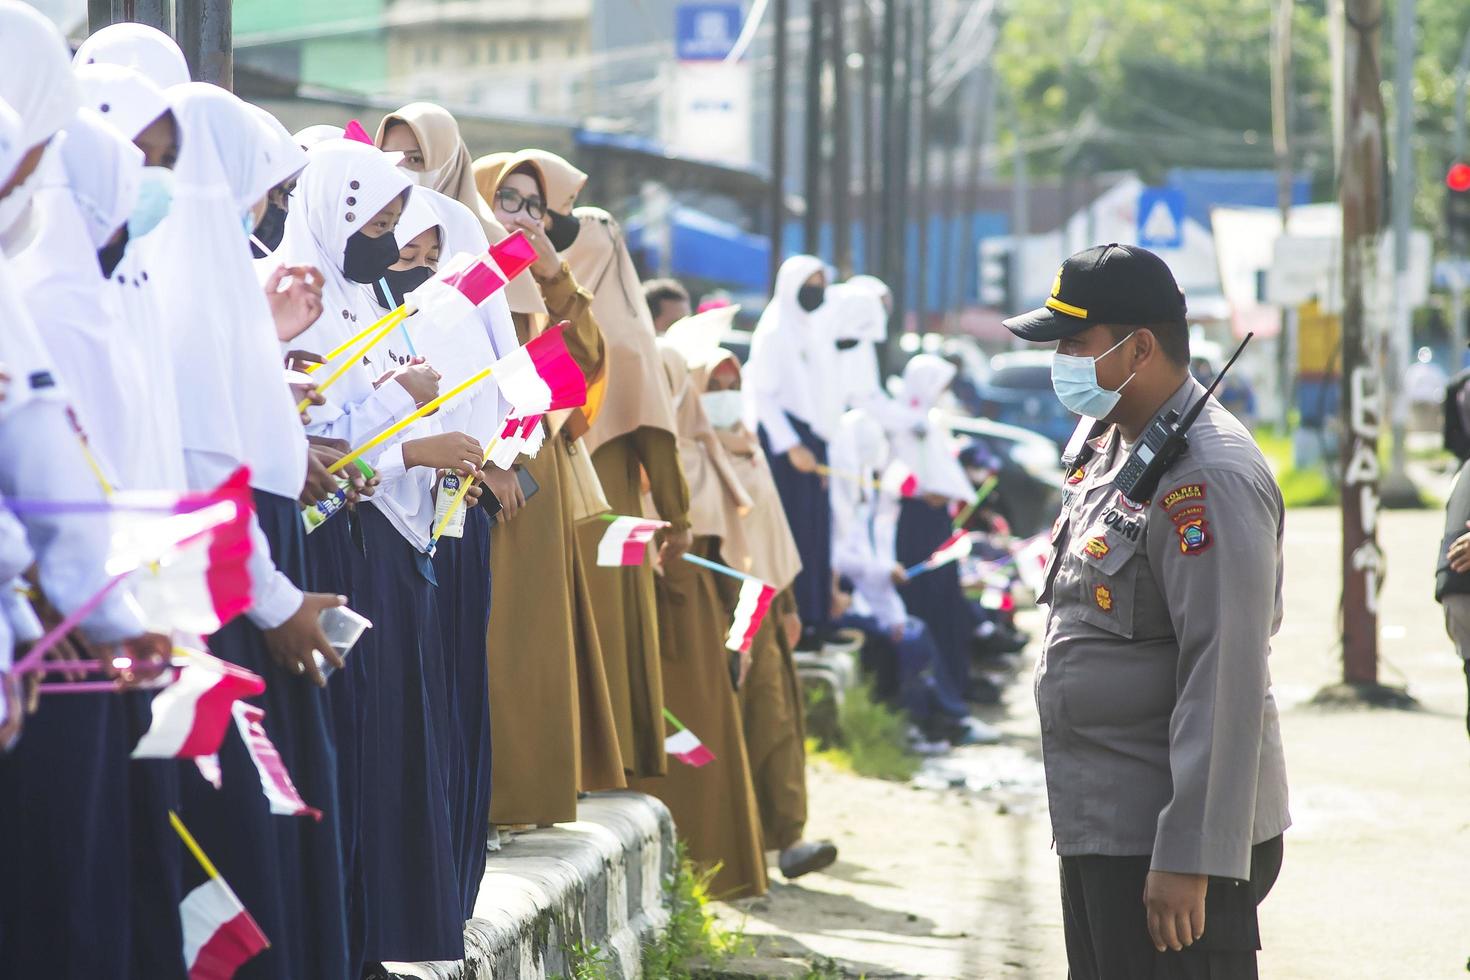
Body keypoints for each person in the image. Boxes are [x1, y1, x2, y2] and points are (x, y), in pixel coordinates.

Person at [1006, 244, 1289, 980]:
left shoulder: (1208, 475)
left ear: (1140, 347)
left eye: (1075, 343)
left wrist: (1191, 854)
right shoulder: (1115, 446)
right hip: (1104, 821)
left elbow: (1222, 672)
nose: (1061, 360)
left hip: (1165, 840)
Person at [275, 138, 473, 970]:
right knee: (347, 745)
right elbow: (311, 440)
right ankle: (342, 941)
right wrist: (411, 441)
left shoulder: (365, 296)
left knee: (385, 744)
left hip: (390, 540)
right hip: (339, 551)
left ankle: (375, 937)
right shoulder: (299, 299)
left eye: (397, 221)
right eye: (376, 219)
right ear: (334, 213)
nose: (388, 239)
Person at [472, 149, 626, 827]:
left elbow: (589, 359)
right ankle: (491, 800)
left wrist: (553, 272)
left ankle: (529, 797)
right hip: (481, 477)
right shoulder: (462, 274)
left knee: (533, 641)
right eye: (509, 200)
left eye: (536, 207)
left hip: (539, 477)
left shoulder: (539, 287)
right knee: (491, 639)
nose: (523, 218)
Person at [683, 343, 841, 880]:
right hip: (726, 608)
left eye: (733, 387)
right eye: (715, 387)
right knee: (738, 724)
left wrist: (789, 604)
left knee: (776, 719)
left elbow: (772, 533)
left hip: (766, 605)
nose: (725, 398)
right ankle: (744, 846)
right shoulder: (693, 454)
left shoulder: (749, 448)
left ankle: (788, 837)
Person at [629, 342, 768, 899]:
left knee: (699, 739)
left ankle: (708, 870)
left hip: (692, 622)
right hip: (641, 616)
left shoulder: (696, 454)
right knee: (653, 734)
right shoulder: (624, 453)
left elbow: (733, 551)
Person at [566, 207, 692, 780]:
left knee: (577, 624)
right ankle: (608, 759)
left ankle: (573, 756)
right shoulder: (629, 328)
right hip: (618, 506)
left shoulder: (556, 310)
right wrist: (675, 514)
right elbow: (657, 437)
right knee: (613, 624)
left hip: (564, 492)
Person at [827, 409, 1000, 748]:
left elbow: (868, 546)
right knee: (912, 639)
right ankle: (926, 725)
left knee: (916, 635)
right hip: (859, 597)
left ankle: (942, 721)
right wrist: (882, 570)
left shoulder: (865, 492)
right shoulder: (842, 495)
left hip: (876, 593)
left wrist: (884, 568)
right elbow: (841, 557)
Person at [744, 255, 843, 648]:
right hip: (785, 446)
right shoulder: (773, 332)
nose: (817, 289)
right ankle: (795, 620)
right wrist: (791, 446)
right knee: (793, 531)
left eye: (822, 281)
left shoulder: (811, 331)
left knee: (816, 530)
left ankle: (815, 618)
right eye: (810, 281)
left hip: (813, 441)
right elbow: (762, 396)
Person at [889, 355, 984, 703]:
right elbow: (894, 474)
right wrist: (921, 491)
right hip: (917, 528)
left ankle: (954, 690)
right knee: (928, 606)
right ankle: (936, 697)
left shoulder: (930, 423)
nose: (944, 394)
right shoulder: (903, 425)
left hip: (937, 526)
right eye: (940, 386)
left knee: (948, 608)